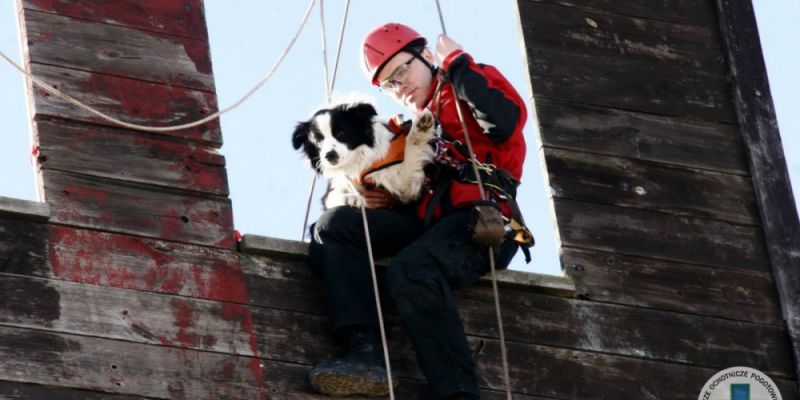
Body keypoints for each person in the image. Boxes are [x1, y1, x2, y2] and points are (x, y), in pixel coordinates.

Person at [307, 22, 529, 400]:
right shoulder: (409, 131)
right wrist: (380, 198)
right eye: (389, 84)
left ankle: (457, 393)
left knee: (412, 269)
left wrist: (458, 64)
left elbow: (503, 122)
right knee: (334, 227)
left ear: (426, 56)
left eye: (402, 71)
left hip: (482, 220)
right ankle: (364, 354)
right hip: (429, 224)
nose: (400, 86)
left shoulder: (468, 84)